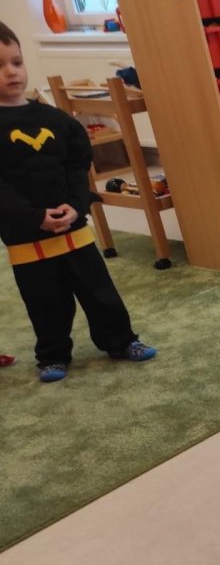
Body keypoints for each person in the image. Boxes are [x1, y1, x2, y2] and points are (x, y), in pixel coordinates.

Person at [0, 21, 155, 383]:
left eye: (17, 62)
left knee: (100, 291)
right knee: (45, 302)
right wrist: (34, 216)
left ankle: (121, 340)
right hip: (27, 239)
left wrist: (76, 205)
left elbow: (76, 166)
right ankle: (52, 354)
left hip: (74, 230)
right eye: (0, 65)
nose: (11, 72)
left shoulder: (56, 121)